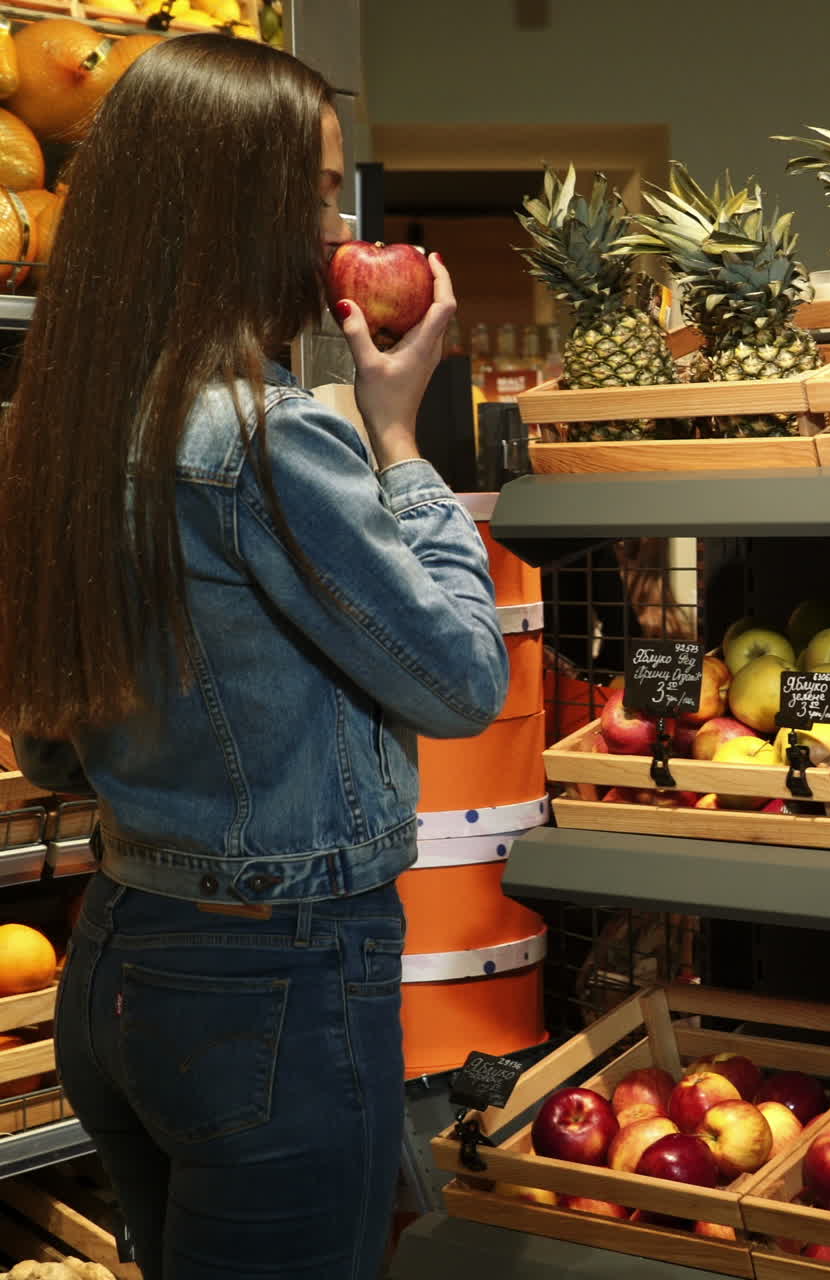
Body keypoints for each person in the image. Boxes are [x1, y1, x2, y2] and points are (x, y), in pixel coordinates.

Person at [0, 34, 508, 1280]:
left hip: (122, 956)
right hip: (275, 967)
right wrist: (398, 437)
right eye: (319, 190)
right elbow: (461, 680)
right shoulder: (264, 435)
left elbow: (51, 742)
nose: (337, 223)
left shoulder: (70, 420)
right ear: (239, 208)